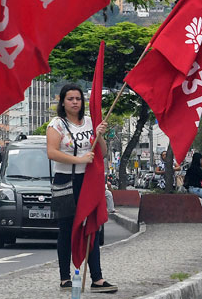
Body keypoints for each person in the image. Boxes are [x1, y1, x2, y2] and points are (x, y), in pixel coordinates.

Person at [46, 84, 118, 293]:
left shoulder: (90, 122)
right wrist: (78, 159)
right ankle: (65, 277)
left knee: (91, 227)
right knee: (67, 229)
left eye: (78, 98)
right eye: (70, 99)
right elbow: (51, 152)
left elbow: (102, 152)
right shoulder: (56, 125)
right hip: (65, 181)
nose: (75, 102)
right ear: (62, 101)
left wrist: (99, 134)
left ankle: (97, 277)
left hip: (87, 181)